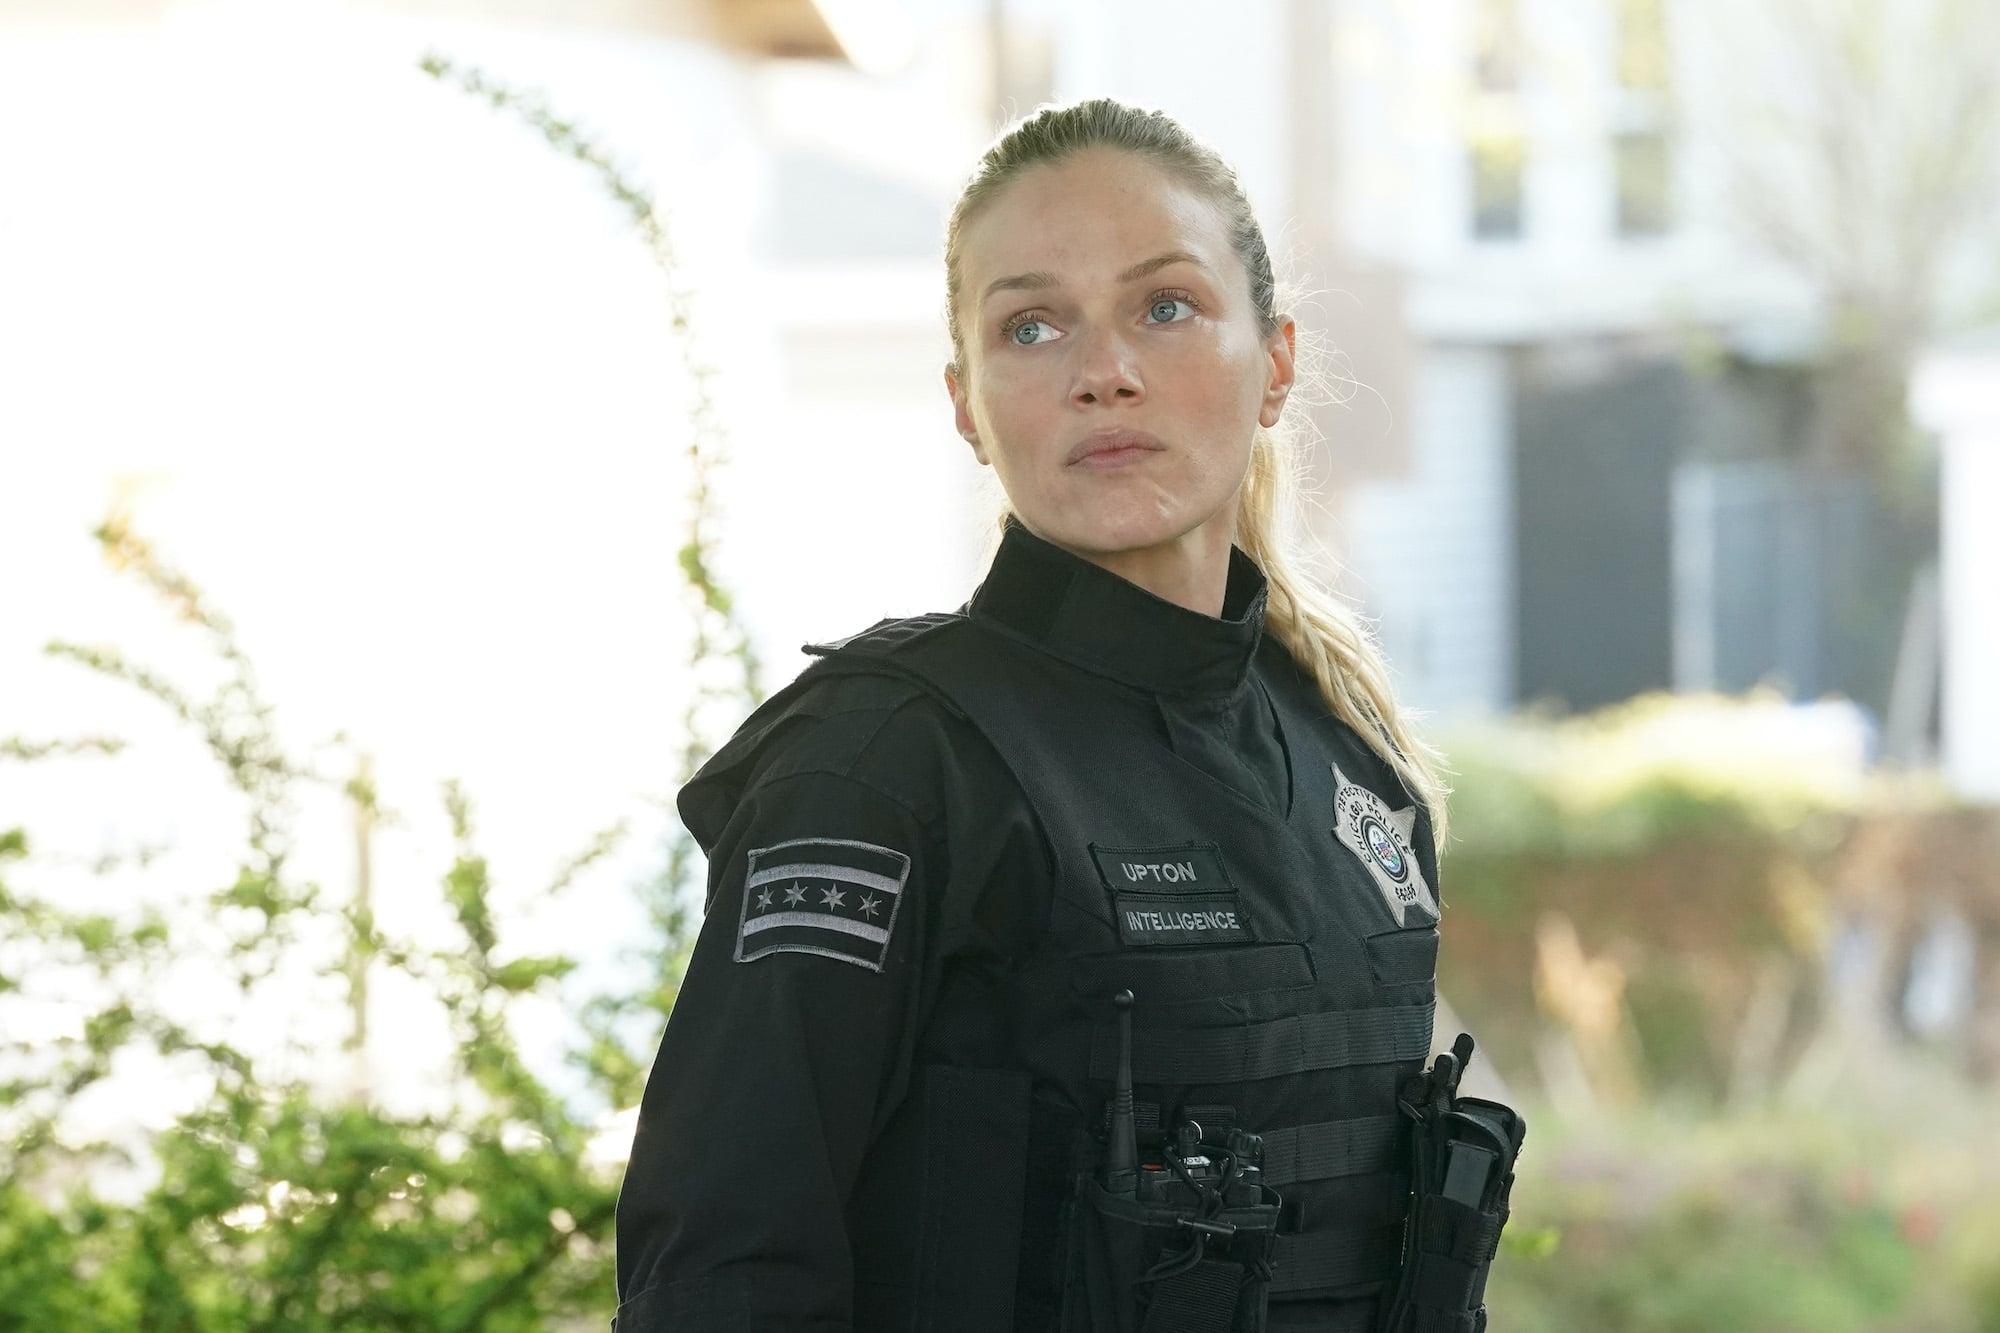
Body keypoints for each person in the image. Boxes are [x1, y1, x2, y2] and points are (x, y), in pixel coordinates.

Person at [615, 98, 1502, 1333]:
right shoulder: (882, 765)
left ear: (1276, 362)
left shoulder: (1350, 758)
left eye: (1165, 307)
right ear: (965, 404)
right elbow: (719, 1270)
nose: (1103, 373)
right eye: (1030, 327)